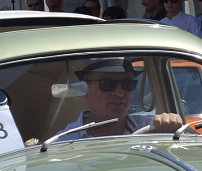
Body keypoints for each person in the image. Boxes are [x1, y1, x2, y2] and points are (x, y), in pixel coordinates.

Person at [52, 58, 183, 141]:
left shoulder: (152, 129)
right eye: (108, 84)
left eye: (127, 85)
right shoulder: (64, 142)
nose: (120, 93)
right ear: (85, 89)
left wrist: (173, 128)